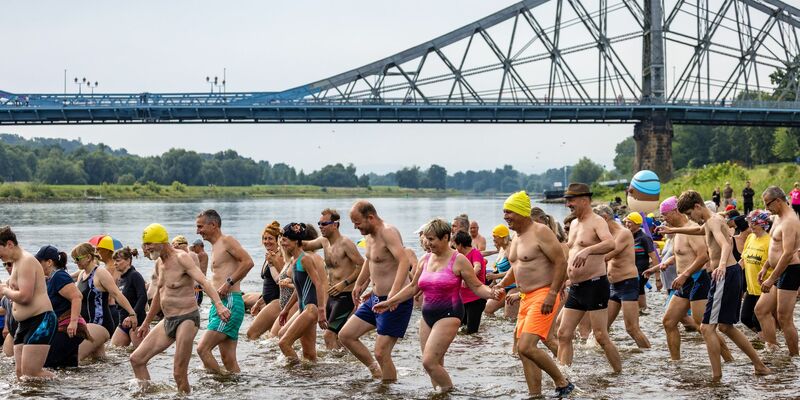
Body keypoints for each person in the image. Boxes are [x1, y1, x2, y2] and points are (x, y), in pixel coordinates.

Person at [372, 218, 501, 393]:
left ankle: (450, 392)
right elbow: (413, 287)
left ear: (445, 237)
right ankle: (440, 393)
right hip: (427, 316)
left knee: (429, 362)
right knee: (434, 364)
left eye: (431, 239)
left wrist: (491, 293)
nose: (427, 243)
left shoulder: (459, 260)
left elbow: (477, 286)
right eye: (426, 238)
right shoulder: (425, 259)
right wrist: (390, 302)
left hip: (450, 314)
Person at [663, 190, 770, 380]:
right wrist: (674, 230)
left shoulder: (712, 221)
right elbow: (700, 231)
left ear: (697, 206)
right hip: (729, 274)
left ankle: (716, 377)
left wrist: (720, 265)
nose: (690, 218)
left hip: (724, 274)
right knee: (725, 327)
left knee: (707, 328)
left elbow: (726, 245)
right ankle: (759, 365)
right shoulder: (712, 221)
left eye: (689, 214)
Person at [130, 223, 231, 394]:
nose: (146, 249)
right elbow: (159, 294)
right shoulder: (159, 263)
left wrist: (219, 305)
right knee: (136, 359)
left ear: (161, 241)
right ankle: (146, 395)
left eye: (149, 244)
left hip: (187, 318)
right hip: (168, 319)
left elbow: (204, 282)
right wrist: (146, 322)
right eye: (145, 245)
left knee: (178, 373)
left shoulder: (182, 258)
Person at [495, 192, 574, 397]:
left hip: (544, 293)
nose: (505, 216)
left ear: (522, 212)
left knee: (526, 346)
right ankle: (535, 395)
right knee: (524, 353)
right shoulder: (516, 237)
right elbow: (516, 267)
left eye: (509, 212)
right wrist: (501, 285)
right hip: (525, 297)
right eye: (504, 212)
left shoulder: (540, 231)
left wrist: (552, 294)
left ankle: (562, 382)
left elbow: (561, 262)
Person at [339, 200, 412, 381]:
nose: (355, 227)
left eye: (357, 223)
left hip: (394, 301)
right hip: (375, 299)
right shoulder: (369, 235)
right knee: (346, 335)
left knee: (381, 352)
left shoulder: (388, 232)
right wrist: (359, 283)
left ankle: (388, 390)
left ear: (370, 217)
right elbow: (370, 259)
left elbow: (404, 261)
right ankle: (376, 371)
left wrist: (394, 294)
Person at [652, 197, 729, 361]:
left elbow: (703, 257)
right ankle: (675, 363)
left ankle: (729, 359)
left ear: (675, 211)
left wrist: (684, 274)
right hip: (684, 282)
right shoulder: (678, 231)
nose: (663, 218)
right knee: (668, 322)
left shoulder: (691, 228)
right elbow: (682, 254)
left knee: (703, 327)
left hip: (697, 279)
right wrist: (662, 265)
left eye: (665, 214)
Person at [557, 183, 621, 373]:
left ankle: (619, 373)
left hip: (595, 285)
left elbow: (610, 244)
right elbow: (571, 254)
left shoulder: (597, 221)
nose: (568, 204)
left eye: (571, 200)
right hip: (576, 287)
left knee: (600, 336)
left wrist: (588, 251)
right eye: (567, 200)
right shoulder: (574, 223)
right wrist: (561, 281)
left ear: (585, 200)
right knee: (563, 333)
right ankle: (563, 377)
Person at [195, 209, 254, 374]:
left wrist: (229, 283)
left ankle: (220, 382)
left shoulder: (227, 241)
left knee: (202, 349)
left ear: (213, 225)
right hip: (220, 304)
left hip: (230, 302)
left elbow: (248, 262)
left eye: (200, 226)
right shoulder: (215, 246)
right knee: (228, 360)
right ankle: (235, 386)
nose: (197, 231)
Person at [302, 209, 364, 349]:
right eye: (319, 224)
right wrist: (289, 236)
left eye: (324, 224)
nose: (320, 227)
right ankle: (346, 360)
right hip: (331, 297)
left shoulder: (345, 243)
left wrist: (345, 283)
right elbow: (305, 245)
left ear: (335, 225)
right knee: (338, 336)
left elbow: (362, 265)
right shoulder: (324, 241)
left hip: (345, 297)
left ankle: (334, 363)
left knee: (328, 335)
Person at [0, 227, 56, 379]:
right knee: (20, 375)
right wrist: (10, 291)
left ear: (9, 244)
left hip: (41, 320)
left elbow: (25, 297)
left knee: (32, 373)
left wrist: (5, 291)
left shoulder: (26, 261)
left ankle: (65, 387)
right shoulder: (16, 262)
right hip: (24, 323)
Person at [595, 206, 650, 349]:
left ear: (605, 218)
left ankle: (648, 354)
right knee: (602, 328)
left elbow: (607, 255)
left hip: (627, 283)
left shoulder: (623, 233)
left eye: (596, 221)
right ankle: (601, 355)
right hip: (613, 285)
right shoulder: (607, 235)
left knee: (632, 328)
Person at [72, 243, 139, 360]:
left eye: (77, 259)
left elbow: (117, 294)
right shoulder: (82, 274)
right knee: (98, 360)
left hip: (100, 324)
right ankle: (115, 371)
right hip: (88, 324)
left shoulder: (100, 273)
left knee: (75, 357)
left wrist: (132, 313)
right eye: (74, 260)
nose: (75, 262)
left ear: (88, 257)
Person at [756, 186, 800, 356]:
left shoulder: (790, 221)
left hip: (790, 270)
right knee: (761, 309)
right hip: (778, 270)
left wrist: (771, 279)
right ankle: (773, 349)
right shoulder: (778, 218)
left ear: (778, 201)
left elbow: (788, 253)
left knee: (784, 318)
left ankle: (794, 357)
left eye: (768, 204)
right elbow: (776, 248)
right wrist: (766, 266)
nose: (766, 208)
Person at [276, 223, 328, 362]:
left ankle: (295, 371)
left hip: (311, 309)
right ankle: (310, 374)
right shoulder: (294, 260)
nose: (282, 243)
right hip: (303, 309)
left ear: (296, 241)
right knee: (309, 354)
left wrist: (321, 311)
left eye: (285, 240)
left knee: (284, 343)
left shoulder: (305, 259)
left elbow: (319, 284)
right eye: (282, 239)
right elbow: (299, 289)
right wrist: (286, 310)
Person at [36, 245, 90, 369]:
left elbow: (77, 297)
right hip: (65, 330)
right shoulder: (51, 278)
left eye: (39, 262)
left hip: (68, 329)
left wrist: (73, 322)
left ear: (49, 262)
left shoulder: (59, 276)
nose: (37, 265)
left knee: (46, 364)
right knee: (67, 368)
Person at [246, 221, 285, 340]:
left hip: (277, 302)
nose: (267, 241)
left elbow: (279, 280)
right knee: (272, 338)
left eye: (270, 238)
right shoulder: (269, 255)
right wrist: (259, 302)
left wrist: (272, 263)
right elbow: (270, 286)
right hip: (268, 302)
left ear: (278, 240)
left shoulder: (278, 257)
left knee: (252, 334)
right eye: (264, 238)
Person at [739, 210, 772, 337]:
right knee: (745, 318)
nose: (751, 225)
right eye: (750, 222)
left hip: (765, 288)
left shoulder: (770, 241)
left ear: (763, 224)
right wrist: (731, 272)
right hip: (751, 288)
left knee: (757, 319)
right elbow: (743, 259)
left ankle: (768, 341)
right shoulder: (750, 238)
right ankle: (763, 337)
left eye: (754, 223)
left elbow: (776, 263)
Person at [110, 247, 148, 349]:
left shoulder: (135, 275)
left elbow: (143, 297)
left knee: (141, 354)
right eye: (114, 261)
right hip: (122, 321)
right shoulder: (121, 278)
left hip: (137, 322)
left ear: (128, 261)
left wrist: (132, 315)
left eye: (118, 261)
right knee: (113, 351)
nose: (115, 263)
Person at [453, 231, 487, 334]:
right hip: (462, 300)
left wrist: (468, 278)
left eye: (455, 245)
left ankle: (478, 344)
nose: (454, 248)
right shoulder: (458, 256)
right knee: (459, 329)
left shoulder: (475, 253)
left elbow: (477, 267)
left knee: (472, 332)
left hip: (476, 298)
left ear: (460, 244)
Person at [624, 212, 658, 311]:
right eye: (626, 222)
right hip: (630, 271)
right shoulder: (628, 237)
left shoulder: (644, 238)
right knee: (640, 290)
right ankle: (642, 310)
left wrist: (657, 277)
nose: (627, 224)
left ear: (637, 223)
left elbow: (654, 257)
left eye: (630, 222)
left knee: (634, 292)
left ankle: (637, 311)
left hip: (641, 272)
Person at [484, 224, 516, 317]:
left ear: (503, 237)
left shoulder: (510, 249)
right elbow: (498, 268)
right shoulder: (501, 248)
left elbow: (515, 269)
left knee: (509, 317)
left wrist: (496, 276)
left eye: (495, 237)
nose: (493, 240)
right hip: (504, 286)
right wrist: (493, 283)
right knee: (487, 309)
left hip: (515, 286)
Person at [189, 238, 209, 305]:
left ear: (199, 246)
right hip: (200, 282)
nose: (193, 248)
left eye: (194, 247)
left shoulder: (201, 254)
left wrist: (189, 250)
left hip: (198, 283)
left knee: (196, 304)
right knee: (196, 304)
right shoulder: (203, 254)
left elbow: (188, 259)